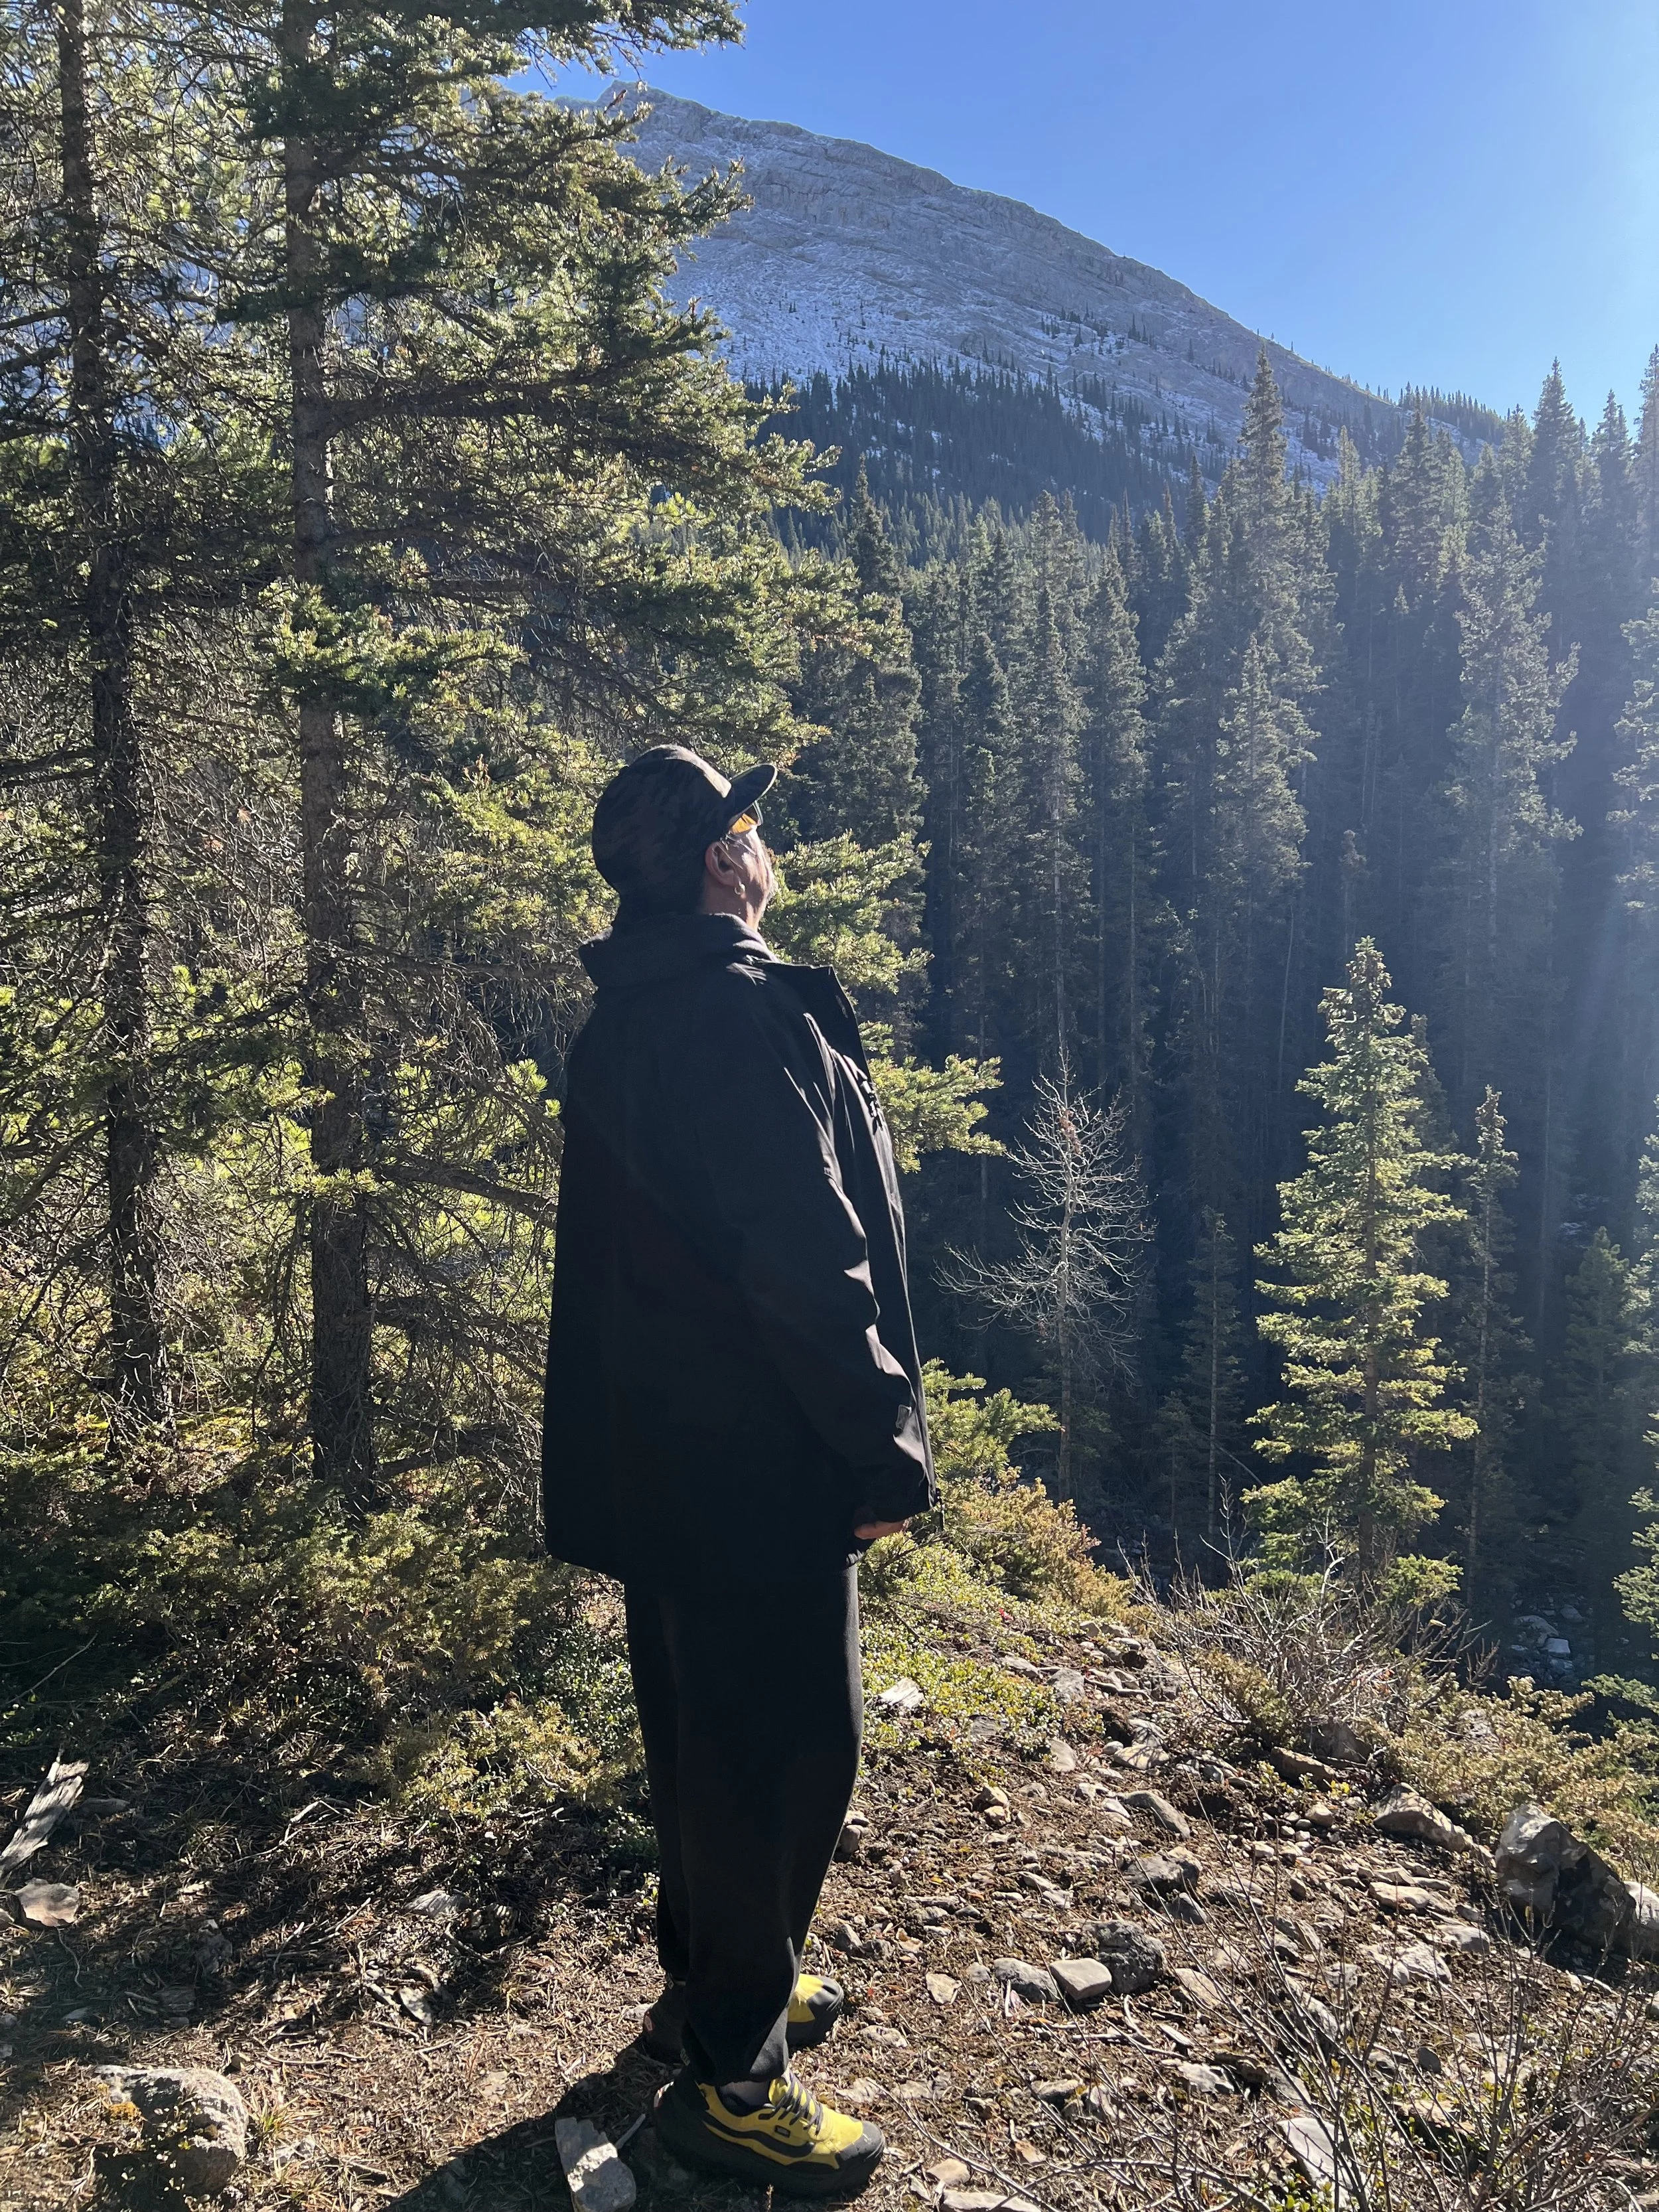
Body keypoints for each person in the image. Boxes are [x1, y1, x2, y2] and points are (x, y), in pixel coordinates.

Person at [541, 744, 936, 2196]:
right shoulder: (731, 1013)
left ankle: (718, 1977)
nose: (765, 843)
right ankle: (735, 2085)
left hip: (664, 1458)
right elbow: (809, 1263)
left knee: (707, 1739)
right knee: (789, 1756)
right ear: (721, 861)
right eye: (750, 824)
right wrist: (881, 1445)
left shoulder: (632, 1015)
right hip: (756, 1463)